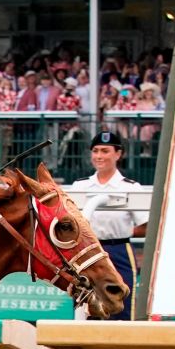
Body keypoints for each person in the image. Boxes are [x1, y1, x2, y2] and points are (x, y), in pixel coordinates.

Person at [70, 131, 147, 321]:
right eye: (95, 151)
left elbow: (146, 226)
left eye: (105, 151)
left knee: (123, 303)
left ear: (118, 154)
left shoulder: (130, 187)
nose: (99, 156)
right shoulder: (80, 186)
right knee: (86, 304)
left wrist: (124, 231)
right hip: (87, 252)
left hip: (118, 248)